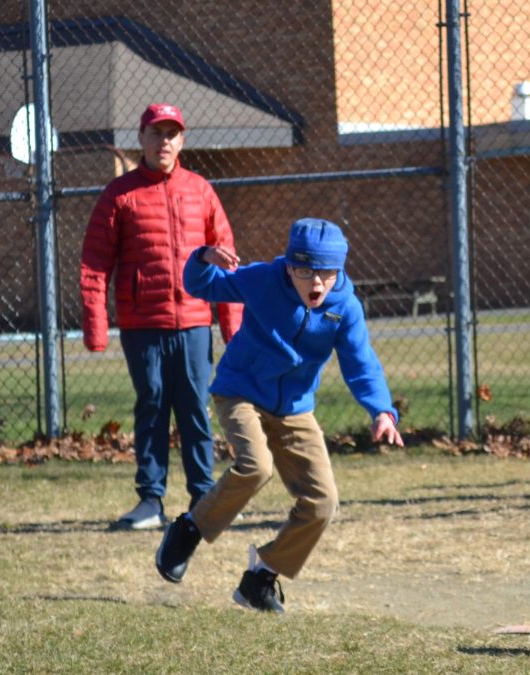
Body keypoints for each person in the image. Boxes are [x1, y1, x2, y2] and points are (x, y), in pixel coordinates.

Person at [154, 217, 404, 613]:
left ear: (339, 270)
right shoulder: (262, 280)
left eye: (326, 272)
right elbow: (200, 284)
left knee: (322, 503)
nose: (316, 282)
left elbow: (362, 364)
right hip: (240, 391)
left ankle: (261, 578)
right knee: (256, 466)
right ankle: (189, 529)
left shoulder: (346, 309)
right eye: (305, 271)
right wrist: (203, 256)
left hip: (294, 409)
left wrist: (381, 411)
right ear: (289, 266)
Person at [80, 103, 242, 530]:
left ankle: (203, 499)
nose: (164, 140)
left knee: (193, 407)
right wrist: (96, 326)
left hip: (192, 324)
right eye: (156, 132)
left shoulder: (201, 191)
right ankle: (150, 502)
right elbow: (95, 262)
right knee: (151, 405)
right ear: (142, 138)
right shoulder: (119, 195)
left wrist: (233, 328)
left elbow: (227, 265)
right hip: (142, 325)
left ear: (182, 141)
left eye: (172, 133)